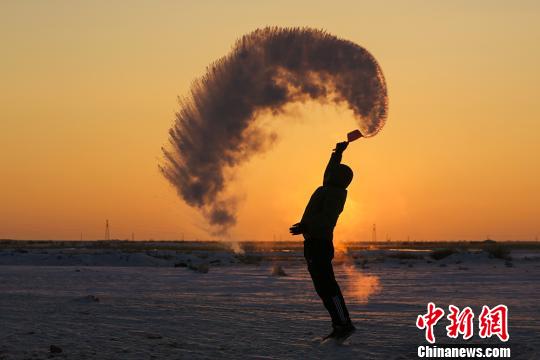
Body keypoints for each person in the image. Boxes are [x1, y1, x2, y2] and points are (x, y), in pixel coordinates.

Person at [289, 141, 355, 341]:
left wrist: (306, 226)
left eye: (334, 172)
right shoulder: (329, 188)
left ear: (338, 178)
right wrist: (337, 153)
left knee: (327, 287)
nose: (329, 173)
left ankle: (344, 324)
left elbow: (328, 218)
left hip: (319, 244)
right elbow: (329, 172)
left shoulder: (334, 194)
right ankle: (339, 324)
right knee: (323, 287)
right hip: (313, 243)